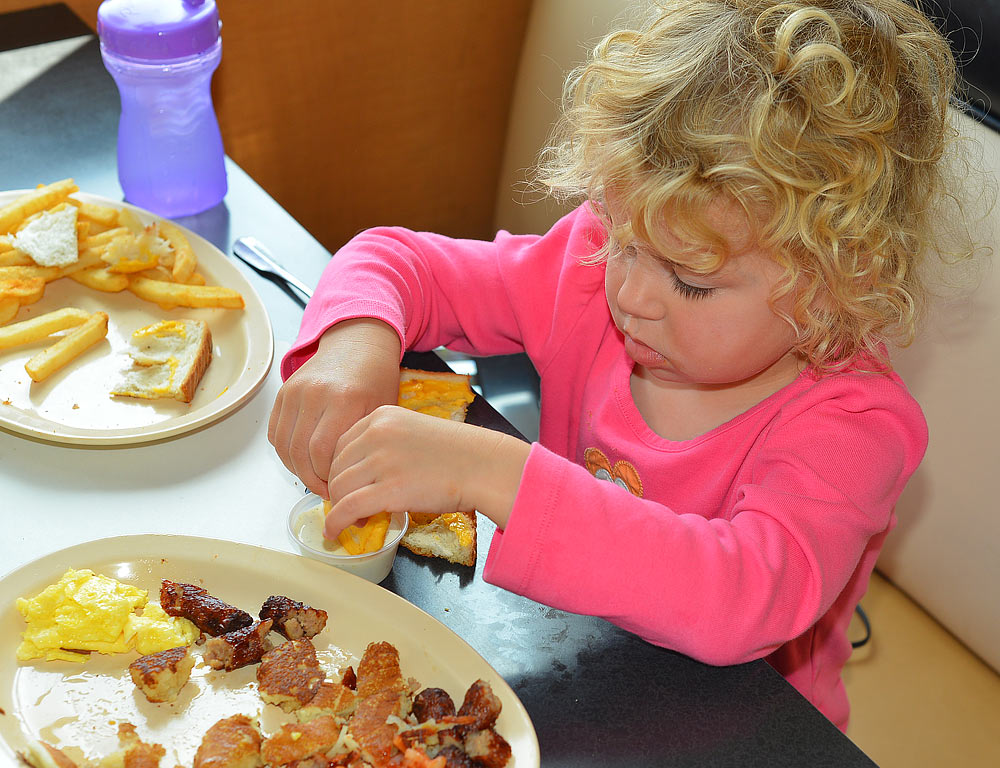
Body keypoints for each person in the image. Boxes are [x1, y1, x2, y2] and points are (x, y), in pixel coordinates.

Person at [269, 0, 985, 730]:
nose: (632, 294)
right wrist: (354, 346)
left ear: (837, 283)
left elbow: (743, 596)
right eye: (622, 238)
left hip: (740, 741)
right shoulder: (589, 275)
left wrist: (492, 474)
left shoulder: (852, 425)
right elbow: (398, 262)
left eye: (691, 281)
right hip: (568, 662)